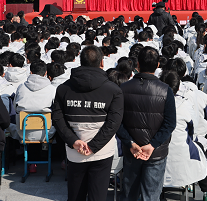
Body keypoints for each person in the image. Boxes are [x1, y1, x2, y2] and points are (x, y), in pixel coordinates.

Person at [52, 46, 124, 201]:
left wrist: (74, 141)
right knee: (98, 196)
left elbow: (57, 119)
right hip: (102, 151)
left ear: (80, 61)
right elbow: (114, 123)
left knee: (75, 195)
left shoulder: (63, 89)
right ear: (102, 63)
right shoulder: (113, 90)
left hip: (75, 151)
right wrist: (94, 145)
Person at [118, 47, 176, 201]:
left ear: (137, 64)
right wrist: (152, 145)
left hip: (133, 151)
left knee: (129, 193)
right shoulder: (166, 90)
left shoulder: (123, 88)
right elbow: (170, 124)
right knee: (151, 196)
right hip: (155, 152)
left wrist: (130, 143)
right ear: (157, 65)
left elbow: (117, 121)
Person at [160, 71, 207, 201]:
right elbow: (193, 129)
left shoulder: (154, 103)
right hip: (182, 151)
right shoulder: (184, 104)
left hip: (158, 152)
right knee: (201, 159)